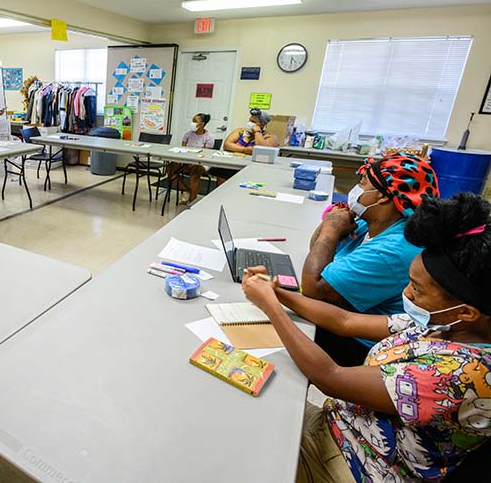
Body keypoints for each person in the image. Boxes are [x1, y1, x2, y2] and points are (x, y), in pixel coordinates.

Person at [242, 192, 491, 482]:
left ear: (468, 312)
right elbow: (345, 321)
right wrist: (278, 294)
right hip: (340, 426)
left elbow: (331, 377)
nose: (406, 295)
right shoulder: (443, 324)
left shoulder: (462, 373)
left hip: (353, 464)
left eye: (417, 290)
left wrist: (271, 308)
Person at [304, 152, 439, 366]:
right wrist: (332, 222)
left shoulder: (392, 248)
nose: (356, 189)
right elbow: (317, 251)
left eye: (362, 183)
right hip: (342, 318)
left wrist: (331, 228)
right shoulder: (373, 221)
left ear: (382, 196)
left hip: (362, 345)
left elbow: (314, 288)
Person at [165, 113, 215, 205]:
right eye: (192, 121)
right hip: (186, 160)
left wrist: (193, 161)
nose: (192, 123)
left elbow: (206, 155)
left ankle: (192, 198)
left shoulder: (209, 136)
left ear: (202, 124)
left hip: (201, 162)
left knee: (195, 171)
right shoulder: (188, 134)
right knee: (170, 168)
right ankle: (185, 190)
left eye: (195, 121)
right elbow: (183, 149)